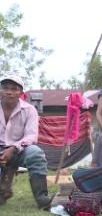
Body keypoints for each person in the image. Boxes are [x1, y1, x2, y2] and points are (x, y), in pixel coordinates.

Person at [0, 75, 54, 209]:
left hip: (19, 150)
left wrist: (13, 149)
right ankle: (3, 192)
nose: (9, 92)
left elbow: (31, 136)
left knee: (35, 153)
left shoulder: (30, 110)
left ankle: (42, 198)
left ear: (21, 93)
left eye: (14, 89)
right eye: (5, 88)